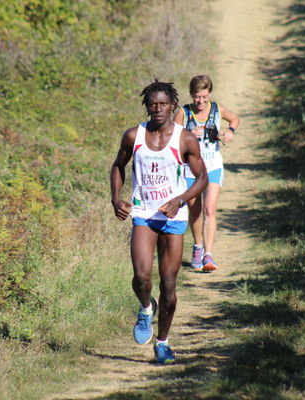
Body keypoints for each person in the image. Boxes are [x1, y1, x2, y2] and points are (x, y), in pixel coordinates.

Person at [110, 81, 208, 364]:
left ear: (172, 106)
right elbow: (118, 166)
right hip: (143, 214)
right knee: (141, 278)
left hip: (173, 218)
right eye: (153, 104)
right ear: (147, 106)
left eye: (163, 104)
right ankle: (144, 308)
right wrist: (116, 199)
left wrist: (180, 199)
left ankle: (162, 343)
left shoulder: (185, 138)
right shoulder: (134, 136)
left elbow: (201, 177)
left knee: (168, 284)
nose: (158, 109)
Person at [173, 75, 240, 271]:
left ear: (209, 94)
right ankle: (197, 246)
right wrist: (187, 136)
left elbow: (235, 119)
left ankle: (208, 256)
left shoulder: (217, 109)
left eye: (203, 97)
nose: (200, 101)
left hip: (213, 166)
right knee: (194, 211)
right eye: (196, 97)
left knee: (209, 210)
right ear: (191, 95)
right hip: (190, 169)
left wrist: (230, 131)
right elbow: (171, 139)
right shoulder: (183, 113)